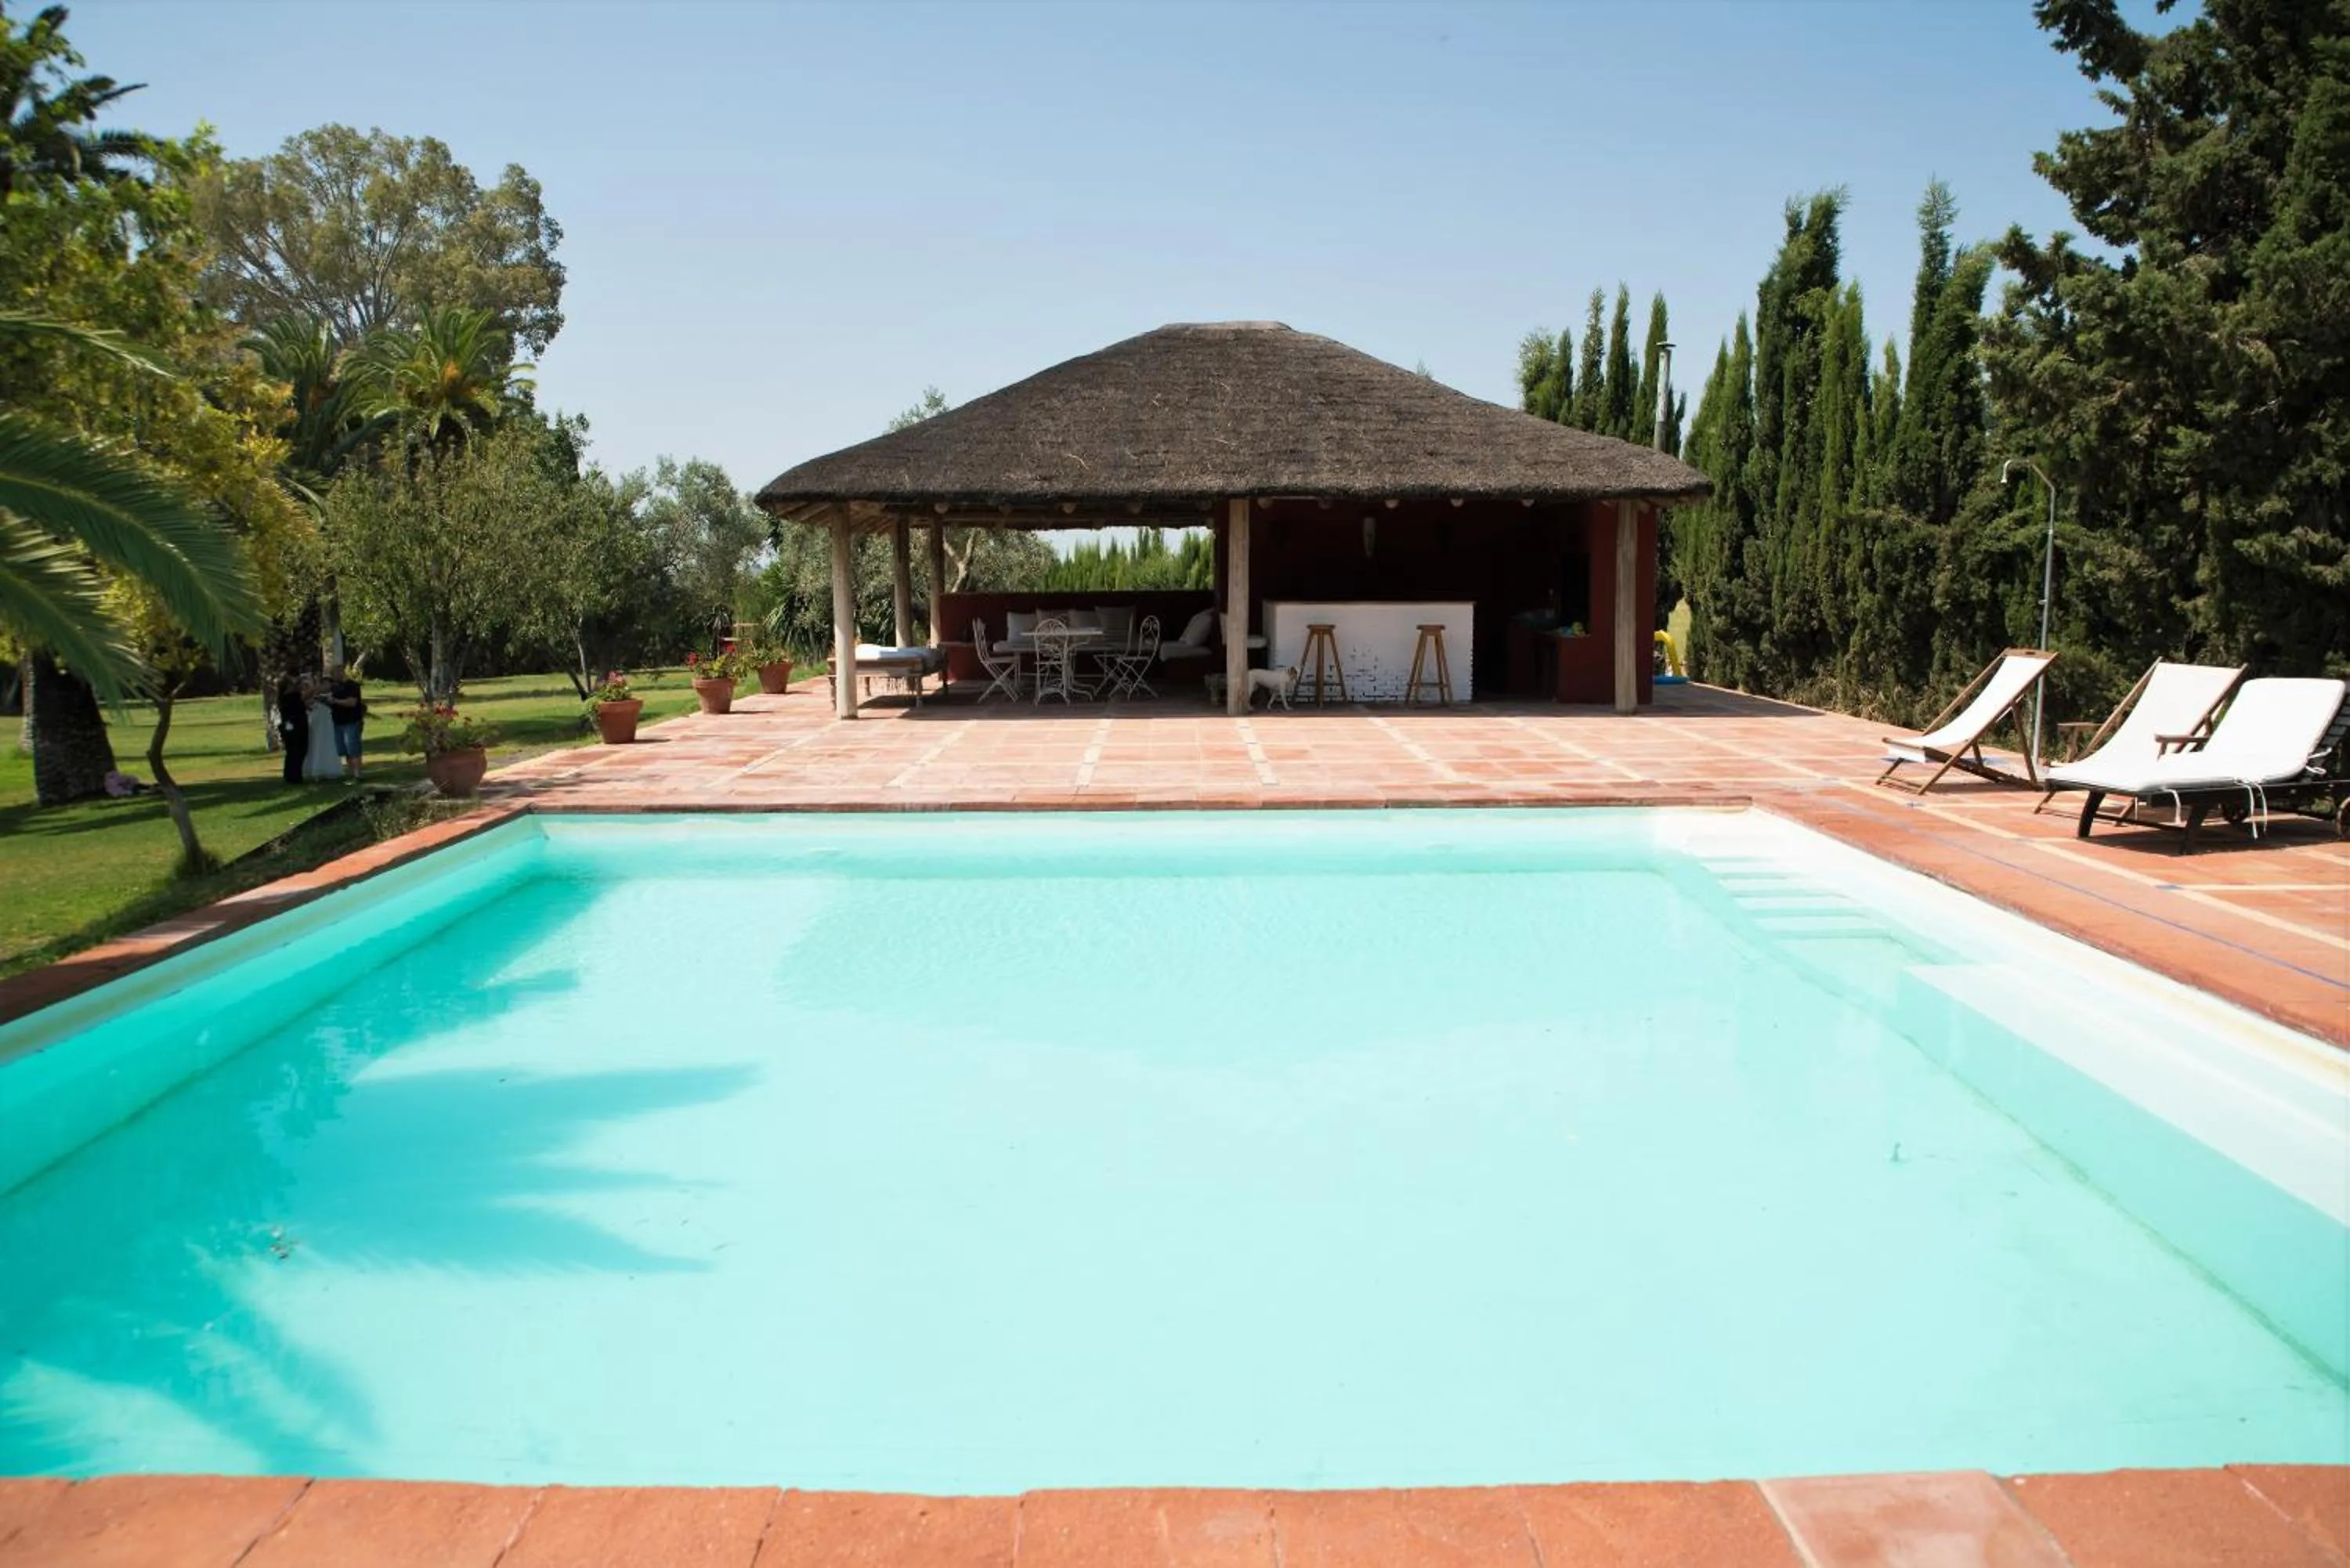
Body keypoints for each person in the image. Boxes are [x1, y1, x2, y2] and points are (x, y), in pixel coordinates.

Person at [326, 663, 367, 784]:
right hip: (338, 721)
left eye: (334, 674)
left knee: (353, 748)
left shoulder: (352, 686)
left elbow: (352, 702)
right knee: (343, 750)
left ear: (340, 672)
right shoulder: (335, 687)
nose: (333, 677)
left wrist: (335, 701)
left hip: (351, 721)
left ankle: (358, 775)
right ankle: (352, 773)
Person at [277, 677, 310, 786]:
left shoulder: (284, 698)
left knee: (292, 752)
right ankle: (295, 777)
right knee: (298, 751)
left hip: (289, 726)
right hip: (296, 726)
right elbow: (305, 697)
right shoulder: (291, 696)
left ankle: (290, 776)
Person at [303, 677, 338, 782]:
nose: (325, 686)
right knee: (315, 745)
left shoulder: (334, 696)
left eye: (328, 684)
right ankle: (315, 770)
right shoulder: (313, 698)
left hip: (328, 725)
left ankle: (329, 769)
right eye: (323, 684)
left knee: (328, 745)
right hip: (316, 725)